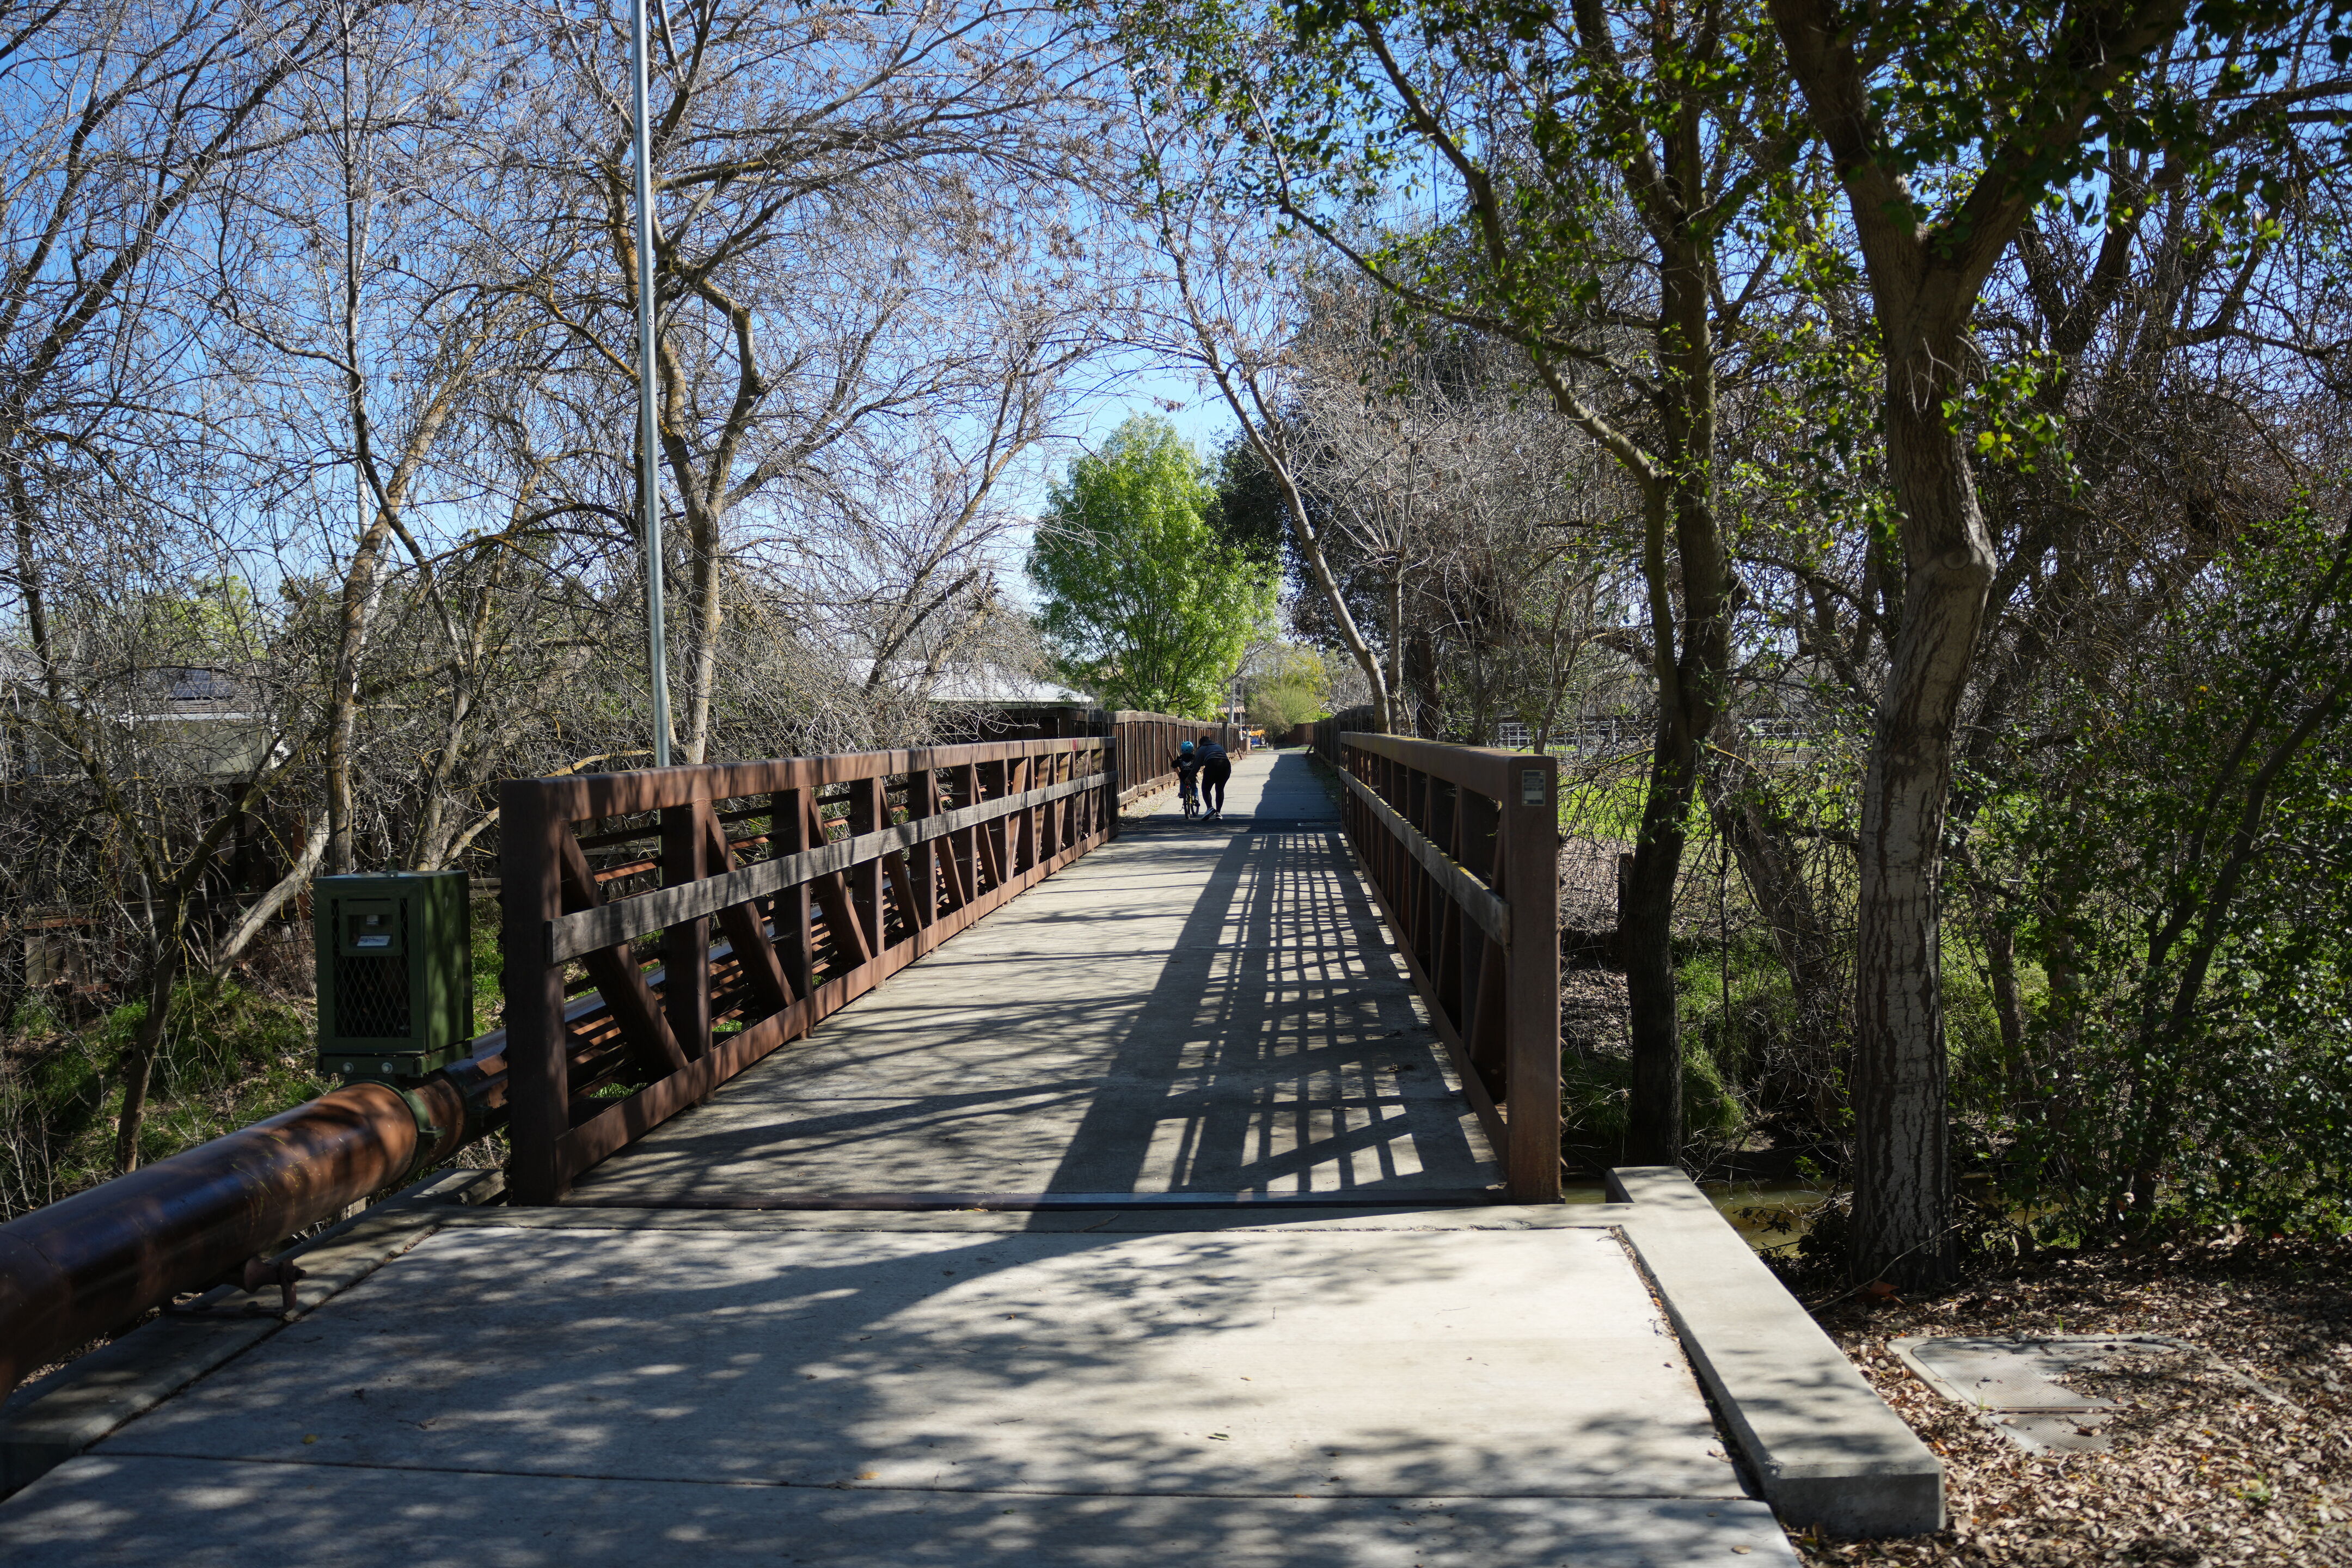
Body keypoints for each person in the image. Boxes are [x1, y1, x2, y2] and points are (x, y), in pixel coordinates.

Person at [1196, 731, 1232, 819]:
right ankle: (1218, 813)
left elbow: (1196, 766)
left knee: (1206, 789)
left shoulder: (1202, 749)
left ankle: (1210, 808)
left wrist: (1190, 777)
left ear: (1201, 744)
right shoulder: (1218, 746)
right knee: (1220, 789)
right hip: (1226, 766)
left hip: (1212, 765)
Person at [1172, 740, 1204, 818]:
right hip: (1192, 776)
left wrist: (1175, 764)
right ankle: (1196, 797)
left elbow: (1174, 765)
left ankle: (1182, 793)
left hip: (1183, 776)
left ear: (1182, 750)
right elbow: (1199, 763)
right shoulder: (1194, 758)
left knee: (1182, 783)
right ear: (1192, 750)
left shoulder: (1180, 759)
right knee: (1194, 788)